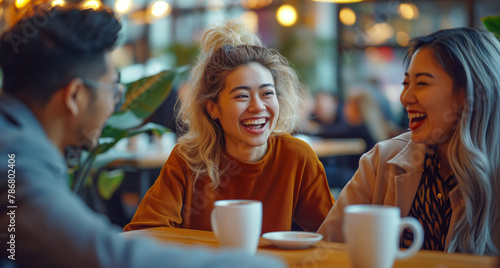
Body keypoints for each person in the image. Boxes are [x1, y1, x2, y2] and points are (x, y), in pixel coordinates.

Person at [0, 5, 284, 267]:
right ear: (75, 96)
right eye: (113, 91)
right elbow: (106, 255)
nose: (116, 105)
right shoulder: (15, 159)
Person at [124, 19, 334, 234]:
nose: (258, 106)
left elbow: (332, 237)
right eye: (242, 96)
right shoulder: (188, 160)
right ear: (212, 108)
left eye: (267, 93)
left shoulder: (296, 157)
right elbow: (143, 232)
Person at [317, 27, 500, 255]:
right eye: (406, 84)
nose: (405, 98)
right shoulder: (381, 160)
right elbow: (327, 247)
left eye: (422, 83)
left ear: (470, 93)